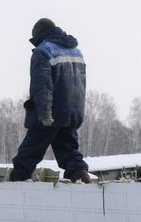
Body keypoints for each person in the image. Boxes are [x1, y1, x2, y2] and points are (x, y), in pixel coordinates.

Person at [9, 18, 93, 182]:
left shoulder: (43, 51)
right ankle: (83, 179)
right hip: (72, 112)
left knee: (29, 151)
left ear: (39, 35)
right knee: (69, 152)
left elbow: (42, 86)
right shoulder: (76, 52)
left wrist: (44, 112)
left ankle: (16, 184)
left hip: (51, 113)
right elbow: (78, 84)